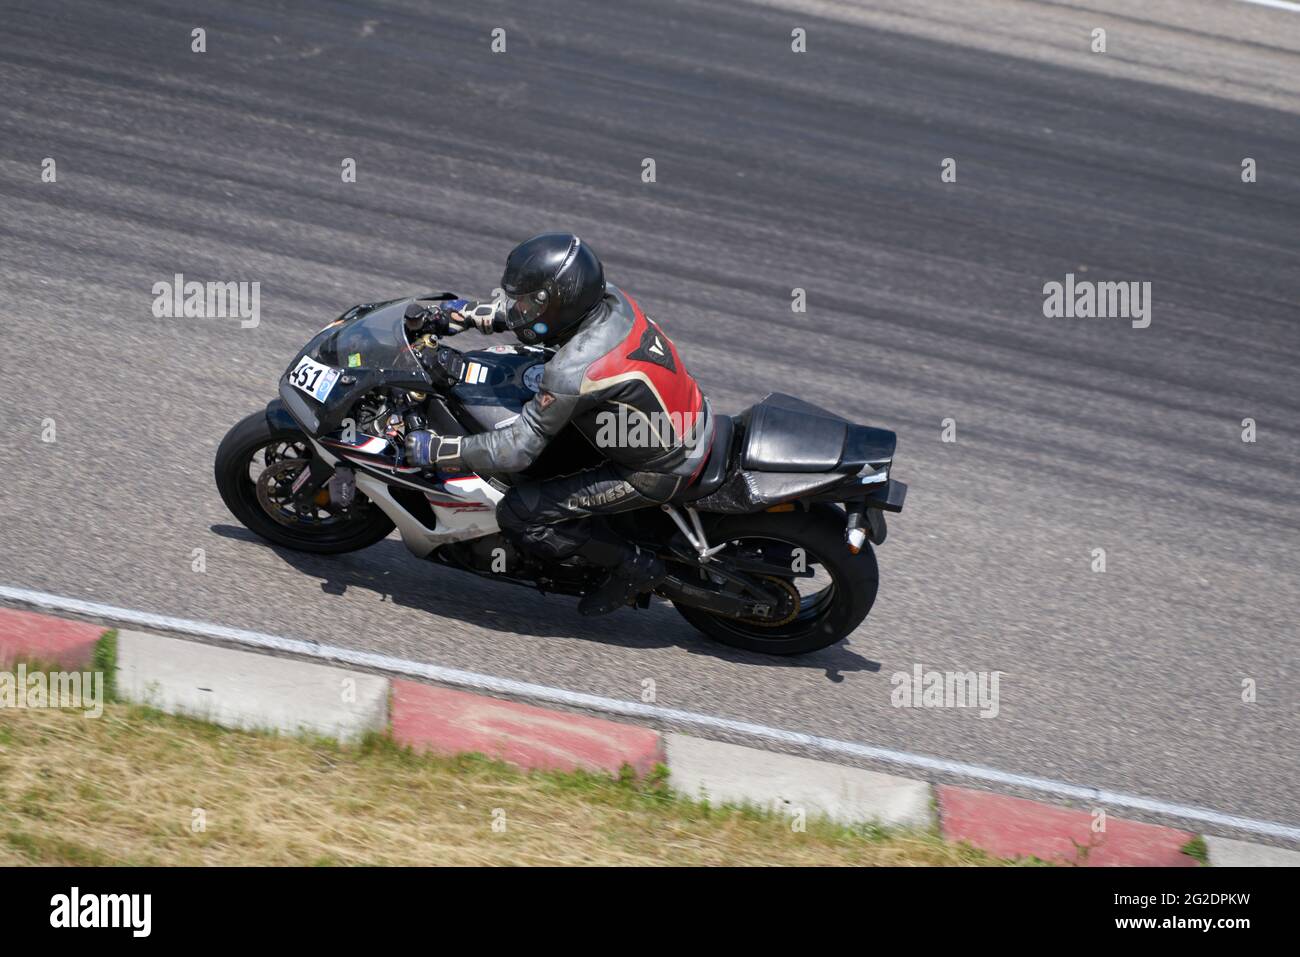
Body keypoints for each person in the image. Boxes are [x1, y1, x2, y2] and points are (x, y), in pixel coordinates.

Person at [404, 233, 714, 616]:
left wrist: (437, 450)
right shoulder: (608, 299)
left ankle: (635, 567)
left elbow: (516, 450)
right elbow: (535, 315)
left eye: (527, 300)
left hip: (657, 468)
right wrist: (462, 314)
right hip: (672, 420)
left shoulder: (574, 370)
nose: (517, 308)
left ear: (559, 302)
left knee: (520, 513)